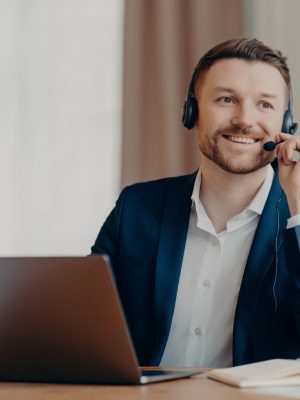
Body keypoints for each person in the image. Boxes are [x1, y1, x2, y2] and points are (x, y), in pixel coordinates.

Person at [91, 38, 300, 368]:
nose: (245, 119)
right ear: (192, 112)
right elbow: (86, 324)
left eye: (265, 105)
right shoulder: (136, 209)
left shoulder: (296, 221)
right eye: (227, 99)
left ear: (286, 125)